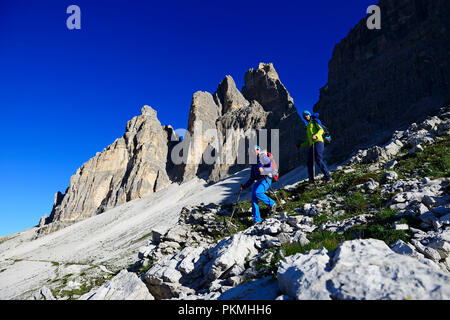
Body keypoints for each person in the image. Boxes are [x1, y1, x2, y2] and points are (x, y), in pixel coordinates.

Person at [240, 145, 277, 223]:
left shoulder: (263, 156)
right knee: (253, 198)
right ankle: (257, 220)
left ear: (258, 150)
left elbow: (271, 169)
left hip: (266, 178)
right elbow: (252, 178)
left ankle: (272, 204)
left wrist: (263, 170)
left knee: (258, 192)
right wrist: (244, 186)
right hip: (258, 180)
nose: (251, 152)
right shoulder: (253, 162)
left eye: (253, 150)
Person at [296, 110, 332, 184]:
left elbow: (321, 130)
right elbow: (309, 141)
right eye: (304, 116)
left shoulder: (315, 121)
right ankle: (311, 182)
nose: (305, 116)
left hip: (318, 142)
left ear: (309, 115)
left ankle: (328, 178)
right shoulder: (308, 126)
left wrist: (316, 136)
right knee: (309, 163)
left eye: (306, 114)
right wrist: (300, 145)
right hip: (312, 144)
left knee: (318, 159)